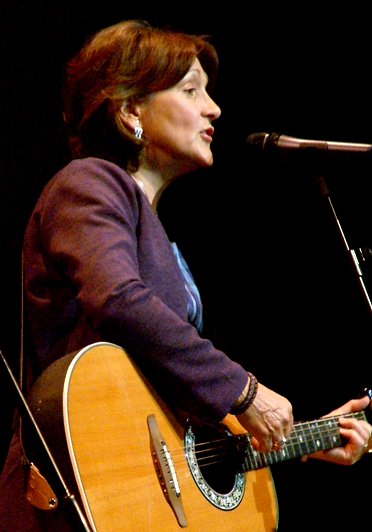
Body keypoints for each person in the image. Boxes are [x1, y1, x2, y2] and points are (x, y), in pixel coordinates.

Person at [0, 19, 371, 531]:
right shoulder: (88, 183)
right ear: (130, 109)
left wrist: (307, 436)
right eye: (190, 90)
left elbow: (176, 433)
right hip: (77, 480)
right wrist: (244, 392)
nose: (213, 108)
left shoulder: (150, 225)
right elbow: (118, 300)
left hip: (133, 487)